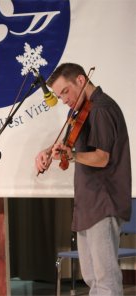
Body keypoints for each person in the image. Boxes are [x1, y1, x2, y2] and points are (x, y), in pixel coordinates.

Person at [35, 63, 131, 295]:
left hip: (103, 200)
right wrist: (48, 151)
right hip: (88, 202)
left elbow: (102, 157)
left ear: (80, 80)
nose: (63, 99)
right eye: (59, 96)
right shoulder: (79, 111)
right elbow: (67, 144)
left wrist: (73, 155)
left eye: (65, 92)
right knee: (91, 278)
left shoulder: (101, 109)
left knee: (105, 280)